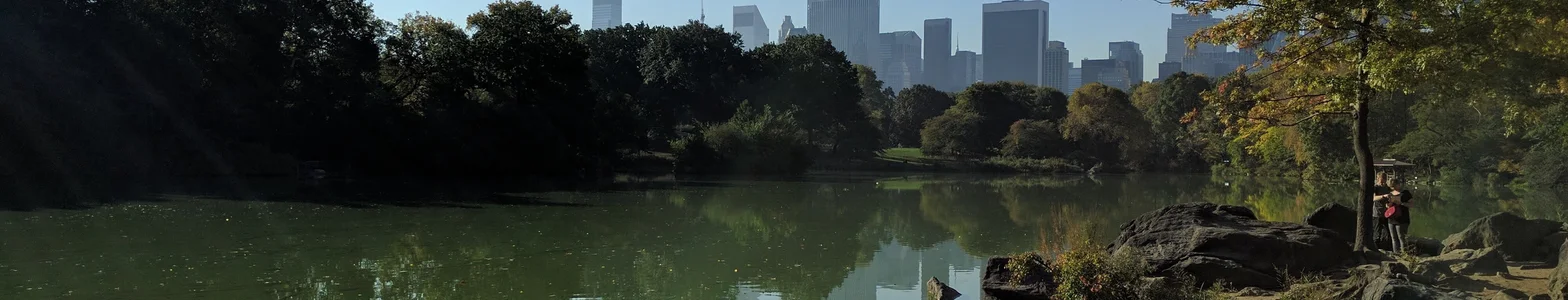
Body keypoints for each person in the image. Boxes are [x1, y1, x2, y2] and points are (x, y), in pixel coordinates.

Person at [1374, 179, 1413, 251]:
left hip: (1402, 219)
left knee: (1401, 238)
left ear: (1399, 184)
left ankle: (1404, 254)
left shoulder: (1405, 193)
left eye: (1394, 186)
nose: (1393, 188)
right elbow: (1387, 206)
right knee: (1393, 238)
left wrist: (1401, 203)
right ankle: (1396, 254)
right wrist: (1389, 204)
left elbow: (1411, 204)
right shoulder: (1390, 194)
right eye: (1392, 187)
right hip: (1391, 219)